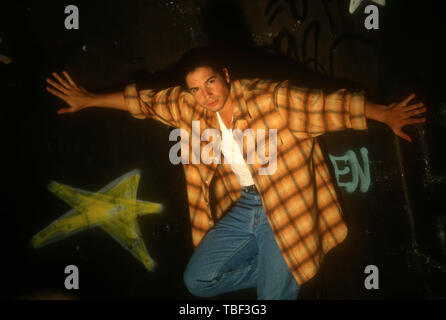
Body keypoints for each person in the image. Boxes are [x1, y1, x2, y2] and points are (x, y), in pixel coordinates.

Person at [45, 46, 427, 300]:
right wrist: (89, 99)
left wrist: (383, 114)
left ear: (225, 75)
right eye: (196, 88)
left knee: (271, 299)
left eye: (210, 82)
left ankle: (283, 273)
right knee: (197, 282)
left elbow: (327, 105)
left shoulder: (268, 98)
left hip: (285, 208)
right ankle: (281, 271)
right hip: (246, 207)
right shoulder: (189, 108)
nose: (206, 95)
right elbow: (140, 101)